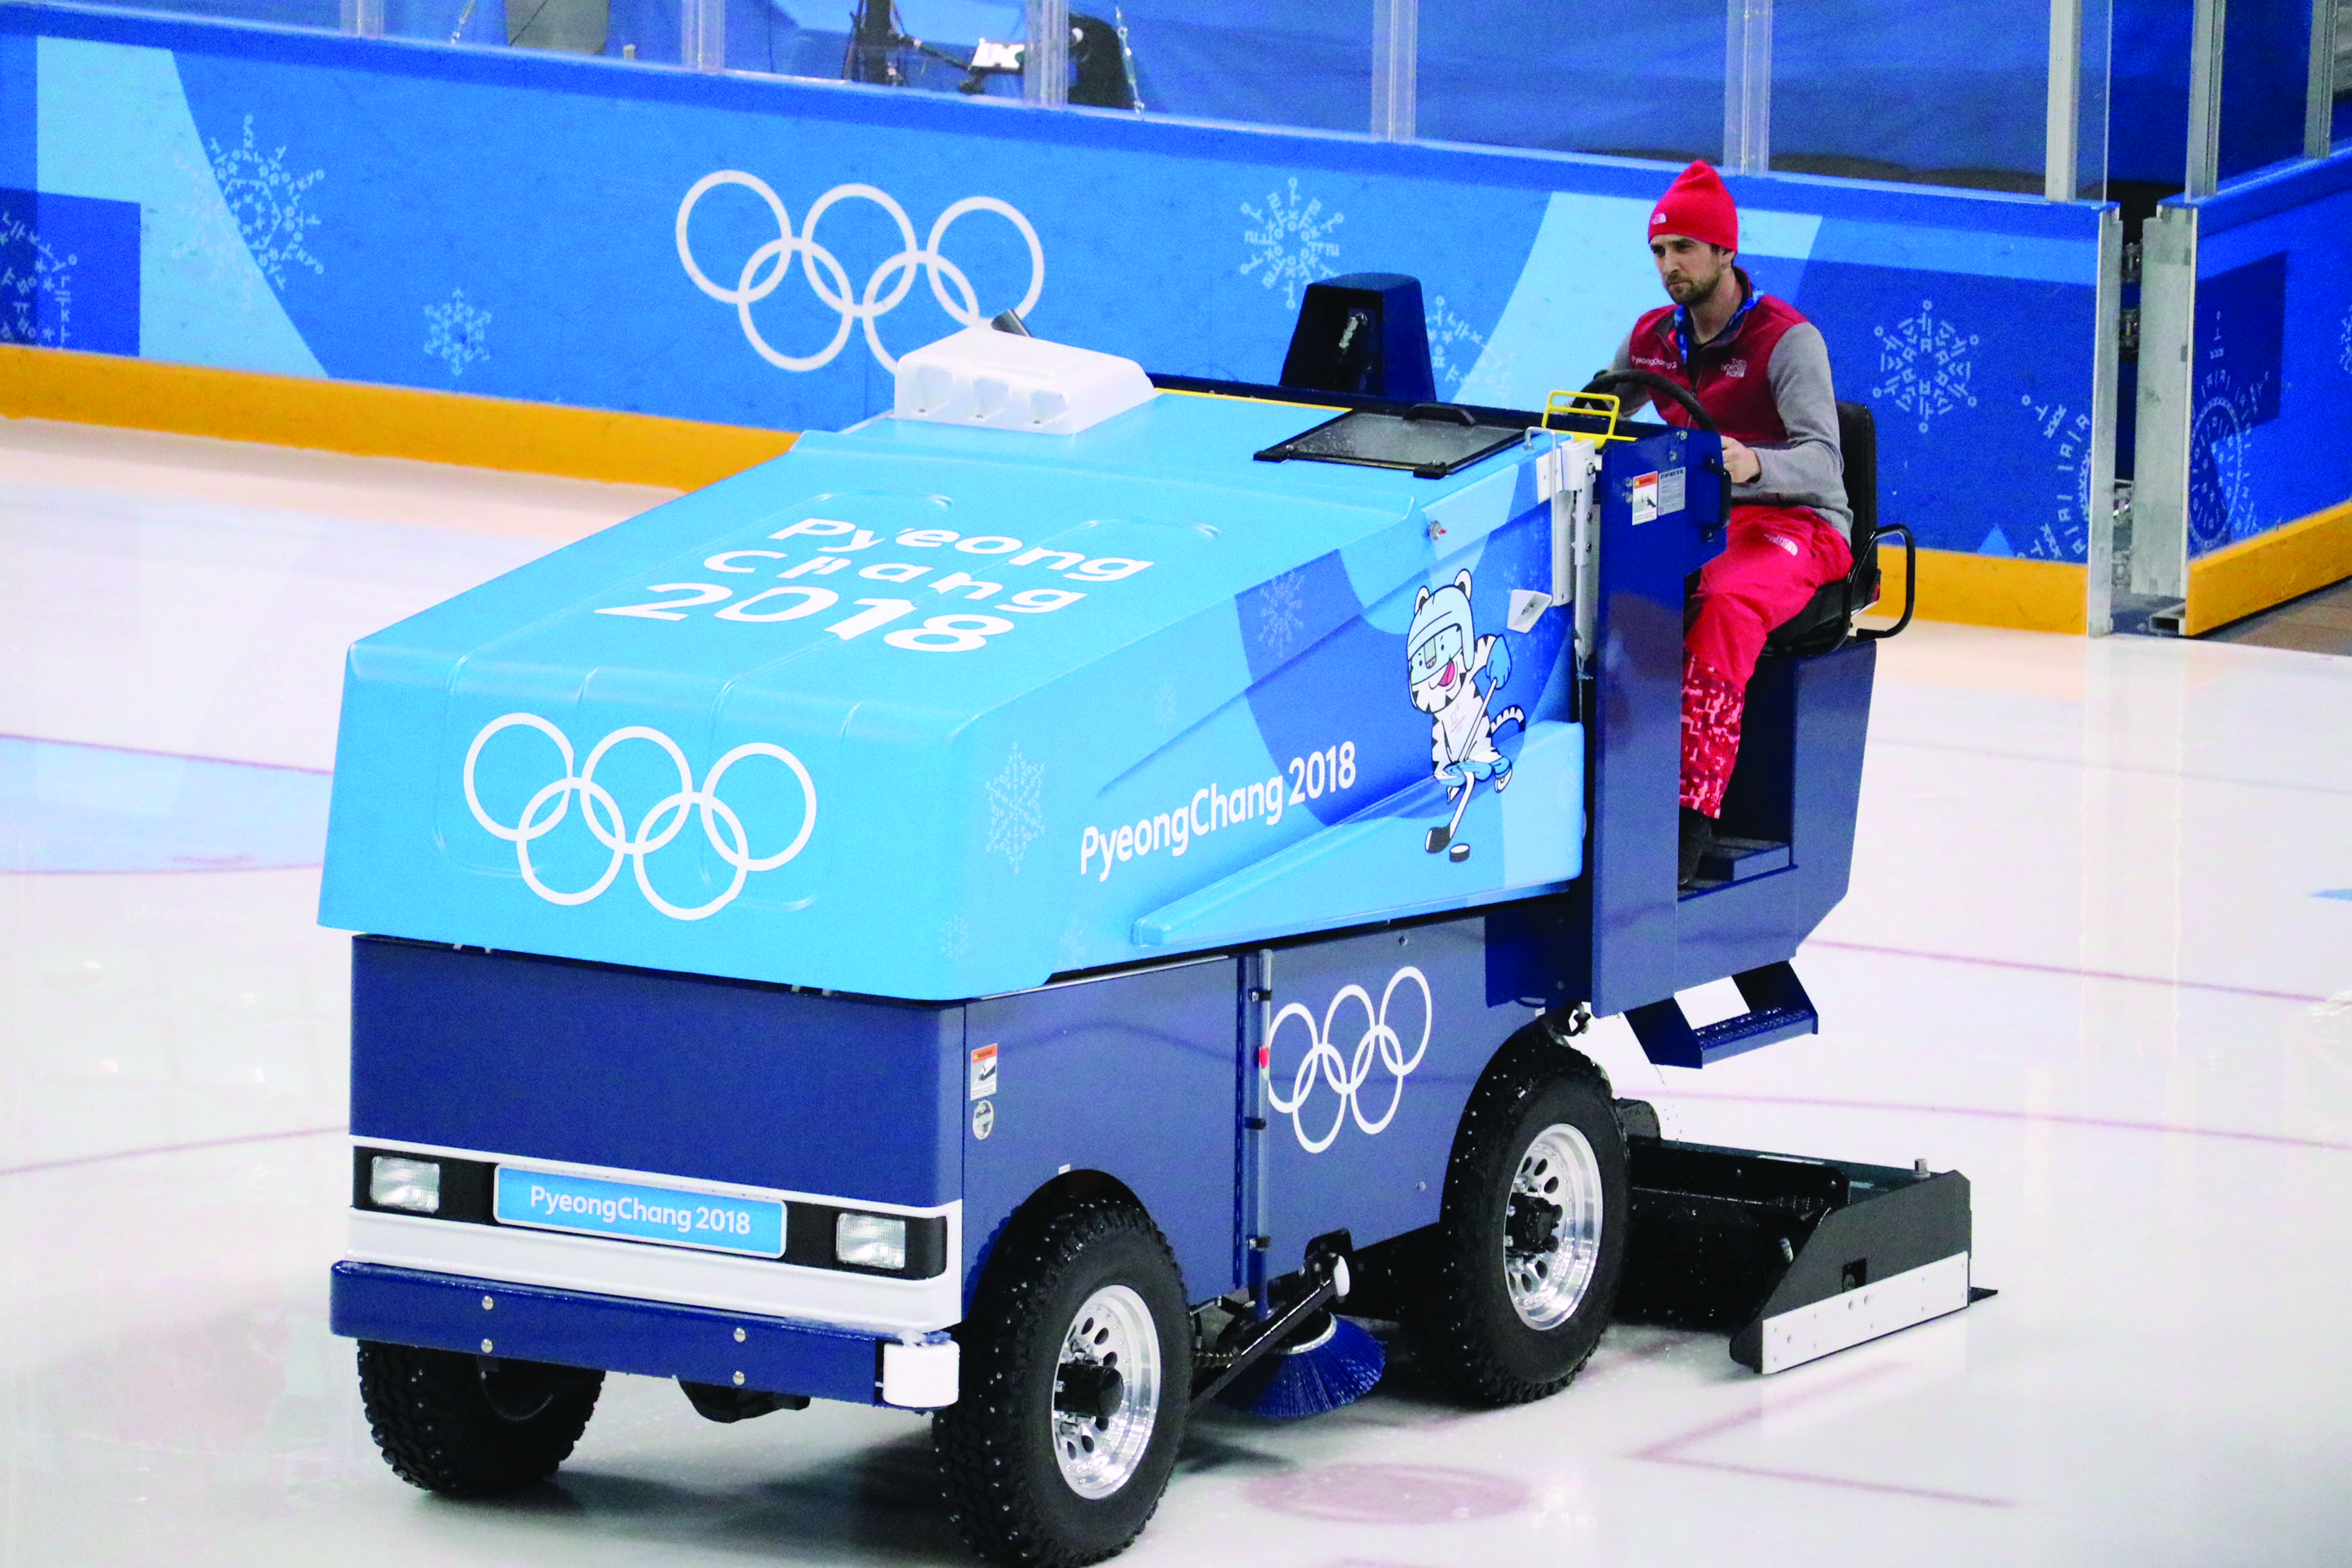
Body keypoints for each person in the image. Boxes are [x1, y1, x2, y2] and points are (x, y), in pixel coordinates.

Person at [1606, 160, 1853, 887]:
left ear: (1725, 252)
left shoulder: (1787, 340)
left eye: (1683, 248)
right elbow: (1601, 414)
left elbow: (1824, 465)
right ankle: (1612, 788)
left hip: (1795, 524)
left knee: (1722, 601)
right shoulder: (1653, 338)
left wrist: (1754, 466)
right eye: (1658, 251)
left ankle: (1689, 817)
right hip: (1699, 516)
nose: (1668, 265)